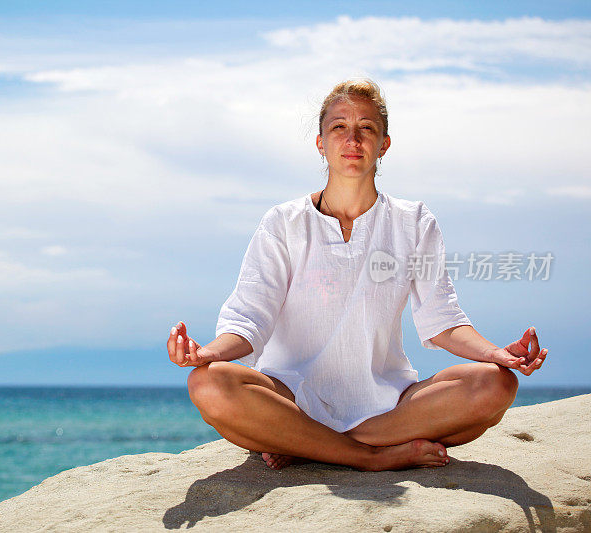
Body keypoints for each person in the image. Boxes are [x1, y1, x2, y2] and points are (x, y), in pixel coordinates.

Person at [166, 78, 548, 472]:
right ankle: (366, 456)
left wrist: (497, 354)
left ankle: (308, 442)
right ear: (320, 142)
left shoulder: (413, 221)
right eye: (339, 128)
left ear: (383, 143)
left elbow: (442, 321)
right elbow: (250, 318)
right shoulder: (283, 223)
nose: (353, 140)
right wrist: (208, 353)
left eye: (366, 128)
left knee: (496, 384)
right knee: (207, 383)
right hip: (289, 398)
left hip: (387, 406)